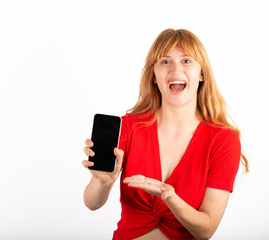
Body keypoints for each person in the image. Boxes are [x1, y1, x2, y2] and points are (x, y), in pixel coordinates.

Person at [82, 28, 249, 240]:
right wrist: (102, 182)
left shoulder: (223, 140)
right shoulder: (130, 127)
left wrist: (169, 197)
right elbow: (91, 203)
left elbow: (206, 230)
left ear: (201, 74)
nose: (175, 69)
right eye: (165, 61)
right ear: (154, 75)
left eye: (187, 61)